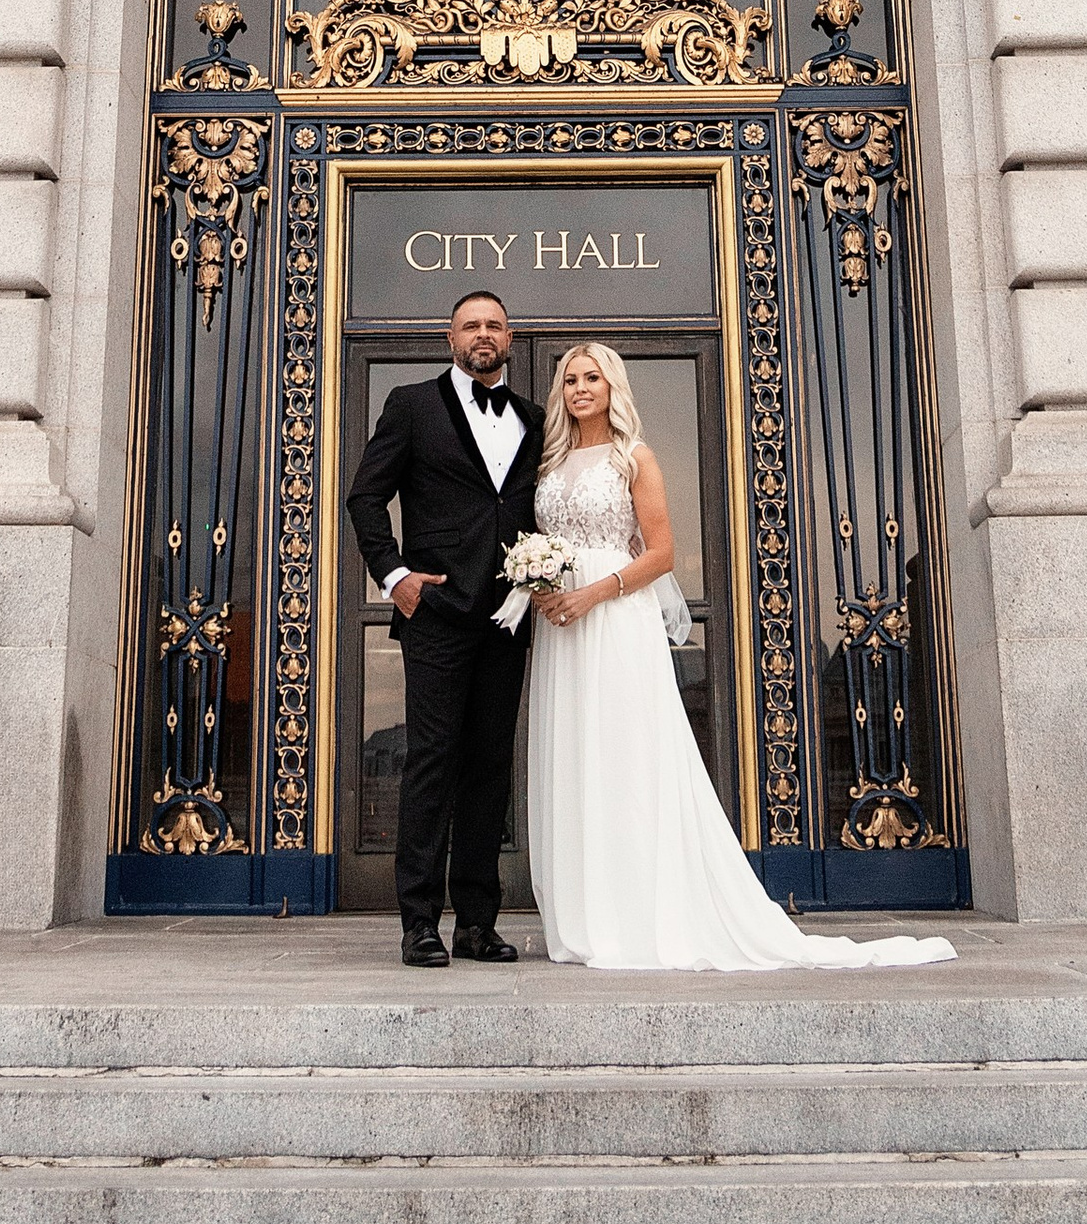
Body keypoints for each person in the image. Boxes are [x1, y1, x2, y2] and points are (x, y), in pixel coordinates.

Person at [527, 340, 958, 972]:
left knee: (627, 754)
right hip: (561, 628)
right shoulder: (549, 464)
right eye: (570, 380)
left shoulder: (634, 459)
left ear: (614, 387)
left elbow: (661, 554)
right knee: (574, 755)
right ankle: (586, 916)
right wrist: (544, 586)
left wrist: (593, 592)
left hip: (614, 619)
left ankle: (638, 915)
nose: (580, 389)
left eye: (593, 377)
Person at [343, 286, 540, 968]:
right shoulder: (411, 405)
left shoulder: (533, 417)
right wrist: (394, 577)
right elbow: (365, 496)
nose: (482, 334)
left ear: (509, 340)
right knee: (432, 761)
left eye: (494, 325)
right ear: (449, 338)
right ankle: (419, 921)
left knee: (490, 767)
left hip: (508, 617)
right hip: (437, 615)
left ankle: (478, 922)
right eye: (470, 326)